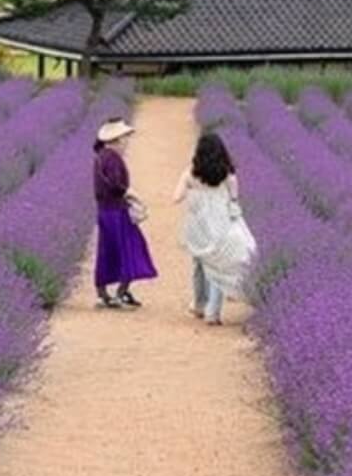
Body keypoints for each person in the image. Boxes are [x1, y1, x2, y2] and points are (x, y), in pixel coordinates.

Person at [173, 132, 257, 326]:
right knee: (218, 265)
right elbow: (234, 200)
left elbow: (176, 197)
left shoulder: (190, 174)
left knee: (199, 265)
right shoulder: (228, 174)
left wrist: (194, 192)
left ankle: (199, 305)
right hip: (222, 225)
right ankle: (213, 312)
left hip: (198, 227)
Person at [93, 118, 157, 309]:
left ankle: (103, 294)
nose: (126, 141)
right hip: (116, 211)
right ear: (116, 139)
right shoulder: (112, 158)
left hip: (105, 211)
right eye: (124, 137)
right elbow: (115, 185)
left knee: (107, 250)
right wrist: (130, 194)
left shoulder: (101, 156)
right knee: (130, 249)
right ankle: (120, 293)